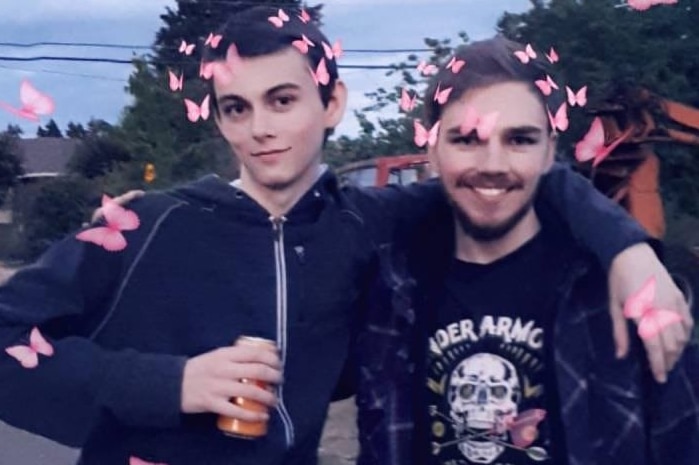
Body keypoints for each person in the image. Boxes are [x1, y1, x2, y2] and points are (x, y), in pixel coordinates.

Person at [0, 7, 690, 465]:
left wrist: (627, 248)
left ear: (332, 103)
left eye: (282, 99)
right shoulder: (151, 225)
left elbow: (510, 173)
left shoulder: (370, 222)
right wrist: (170, 381)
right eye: (236, 108)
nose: (259, 128)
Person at [355, 36, 699, 465]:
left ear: (549, 152)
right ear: (432, 152)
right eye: (466, 140)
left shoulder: (629, 297)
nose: (493, 165)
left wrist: (630, 249)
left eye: (519, 139)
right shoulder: (386, 296)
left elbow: (680, 443)